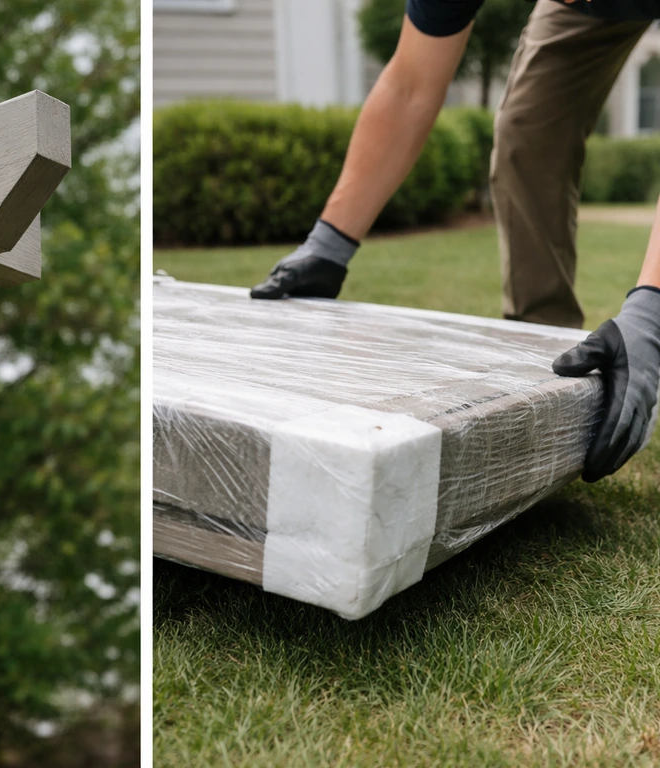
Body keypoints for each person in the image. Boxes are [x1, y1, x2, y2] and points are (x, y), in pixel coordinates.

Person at [250, 0, 660, 482]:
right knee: (526, 133)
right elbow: (407, 87)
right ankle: (550, 372)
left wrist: (650, 313)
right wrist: (329, 243)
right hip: (589, 18)